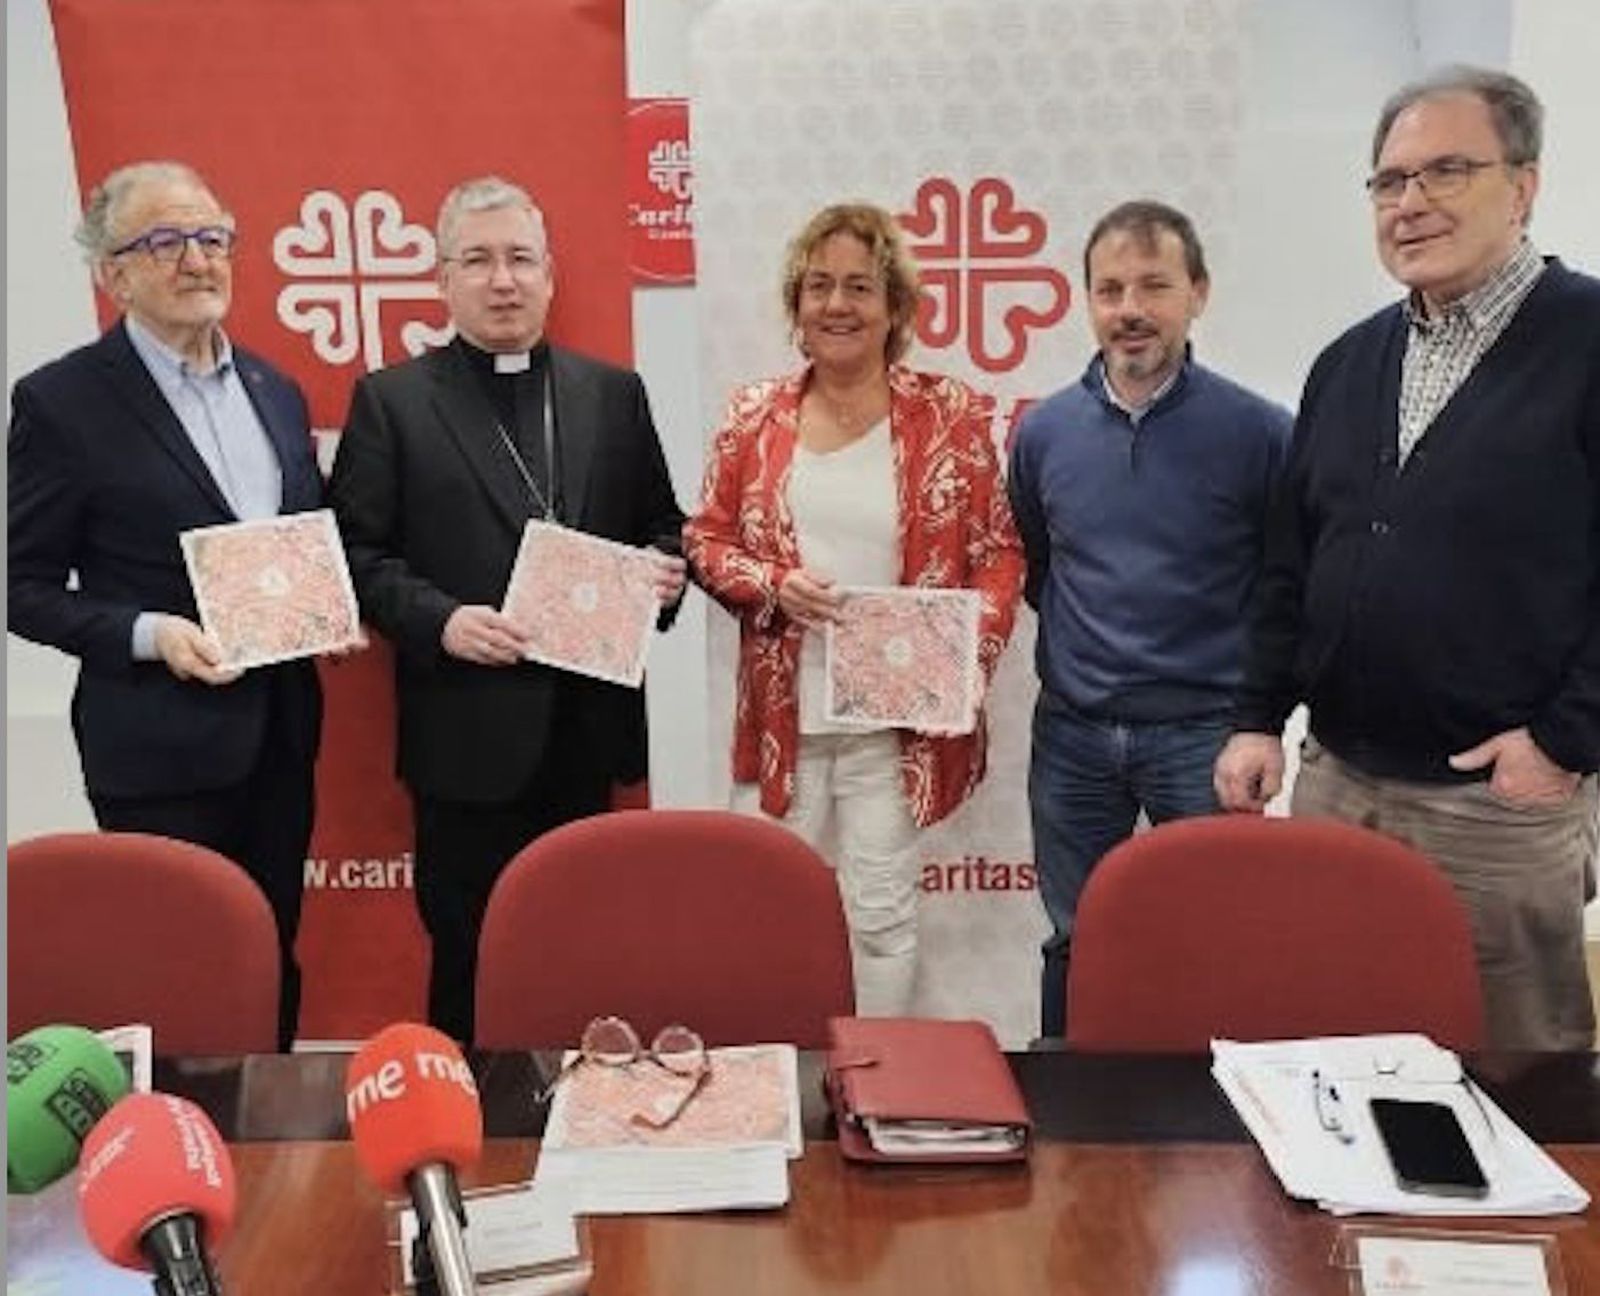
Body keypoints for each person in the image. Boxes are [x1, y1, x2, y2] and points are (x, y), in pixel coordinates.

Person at [1215, 67, 1600, 1051]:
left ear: (1521, 186)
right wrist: (1258, 717)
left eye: (1445, 172)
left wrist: (1562, 742)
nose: (1410, 203)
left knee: (1513, 1073)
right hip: (1338, 779)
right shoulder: (1347, 363)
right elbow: (1289, 560)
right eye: (1388, 182)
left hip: (1495, 804)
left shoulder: (1588, 342)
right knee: (1331, 1042)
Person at [329, 176, 687, 1044]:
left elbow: (663, 528)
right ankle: (477, 1140)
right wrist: (442, 621)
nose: (502, 280)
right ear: (443, 279)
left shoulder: (613, 393)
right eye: (478, 260)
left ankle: (586, 1115)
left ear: (550, 275)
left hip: (587, 730)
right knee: (471, 952)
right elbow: (354, 556)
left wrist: (663, 576)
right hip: (468, 739)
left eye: (520, 259)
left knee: (583, 947)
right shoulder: (394, 402)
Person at [9, 160, 324, 1050]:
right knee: (180, 968)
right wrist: (150, 636)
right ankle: (182, 1160)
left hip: (281, 727)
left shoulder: (275, 388)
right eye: (165, 241)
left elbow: (297, 534)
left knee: (270, 953)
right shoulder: (61, 402)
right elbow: (20, 586)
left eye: (213, 237)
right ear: (112, 273)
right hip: (156, 745)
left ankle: (274, 1158)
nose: (197, 260)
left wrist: (326, 604)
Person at [684, 202, 1024, 1016]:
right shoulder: (750, 415)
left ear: (895, 308)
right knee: (762, 914)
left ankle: (876, 1086)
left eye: (860, 288)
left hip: (891, 724)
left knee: (881, 920)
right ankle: (773, 1088)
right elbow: (705, 539)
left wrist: (961, 655)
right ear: (797, 306)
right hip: (782, 720)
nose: (837, 304)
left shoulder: (952, 415)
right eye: (819, 286)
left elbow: (1000, 552)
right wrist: (772, 583)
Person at [1009, 201, 1291, 1037]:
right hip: (1074, 735)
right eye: (1110, 289)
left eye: (1154, 285)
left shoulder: (1261, 433)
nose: (1130, 308)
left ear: (1197, 293)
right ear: (1088, 302)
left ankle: (1219, 1113)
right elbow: (1041, 564)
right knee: (1076, 933)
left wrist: (1259, 721)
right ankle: (1071, 1099)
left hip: (1205, 738)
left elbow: (1286, 585)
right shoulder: (1042, 432)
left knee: (1217, 933)